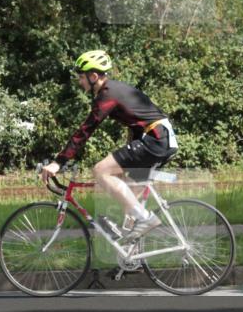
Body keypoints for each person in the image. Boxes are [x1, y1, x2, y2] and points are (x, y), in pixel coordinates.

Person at [40, 50, 178, 238]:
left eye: (81, 77)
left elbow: (86, 130)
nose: (79, 82)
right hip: (161, 139)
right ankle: (131, 255)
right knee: (128, 196)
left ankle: (146, 218)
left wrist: (59, 161)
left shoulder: (108, 94)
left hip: (156, 139)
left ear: (93, 76)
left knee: (100, 170)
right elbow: (138, 122)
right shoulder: (115, 90)